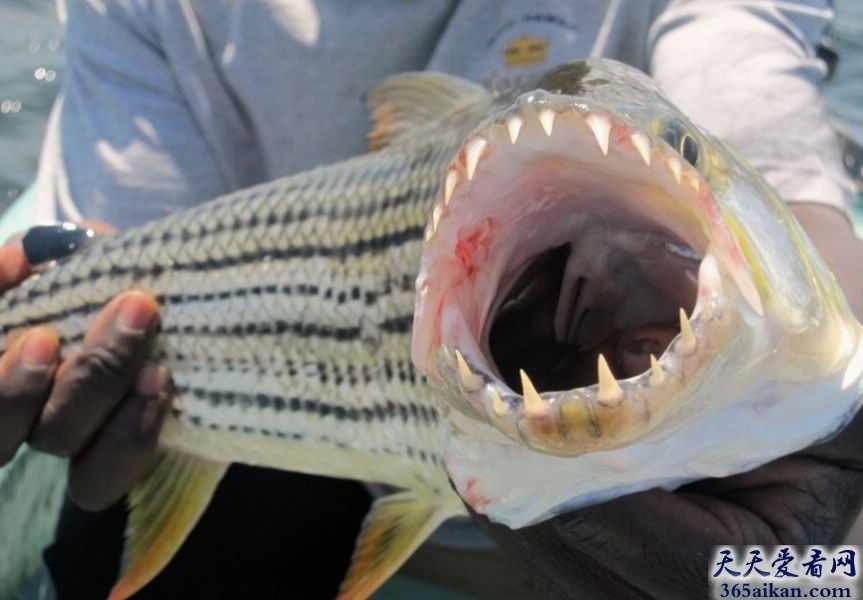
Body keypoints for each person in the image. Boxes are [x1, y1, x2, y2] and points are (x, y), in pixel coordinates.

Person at [2, 1, 862, 598]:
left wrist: (809, 558)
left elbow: (760, 122)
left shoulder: (791, 461)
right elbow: (157, 278)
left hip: (648, 515)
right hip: (292, 459)